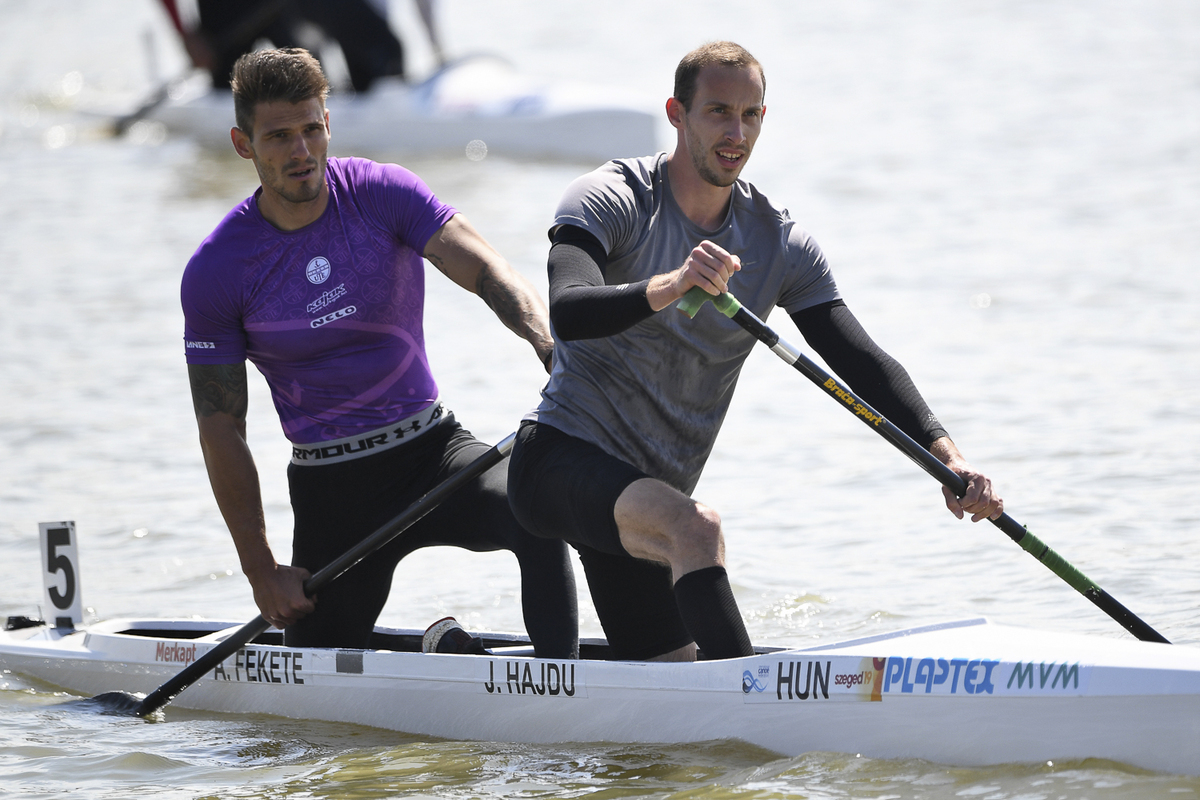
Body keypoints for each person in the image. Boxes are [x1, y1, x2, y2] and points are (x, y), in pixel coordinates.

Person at [506, 41, 1003, 663]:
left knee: (672, 696)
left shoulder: (781, 242)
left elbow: (858, 359)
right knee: (698, 529)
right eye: (717, 111)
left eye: (751, 115)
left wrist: (947, 456)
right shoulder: (613, 197)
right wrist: (674, 284)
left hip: (645, 494)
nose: (735, 132)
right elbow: (570, 310)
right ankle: (758, 721)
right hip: (558, 461)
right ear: (677, 113)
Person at [181, 47, 577, 658]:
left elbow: (486, 269)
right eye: (280, 136)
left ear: (328, 125)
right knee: (315, 686)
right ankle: (444, 653)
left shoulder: (380, 193)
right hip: (331, 487)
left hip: (434, 453)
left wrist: (544, 340)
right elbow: (221, 425)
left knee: (539, 514)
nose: (301, 151)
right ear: (243, 144)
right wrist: (262, 570)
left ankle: (562, 689)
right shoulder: (218, 269)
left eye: (312, 129)